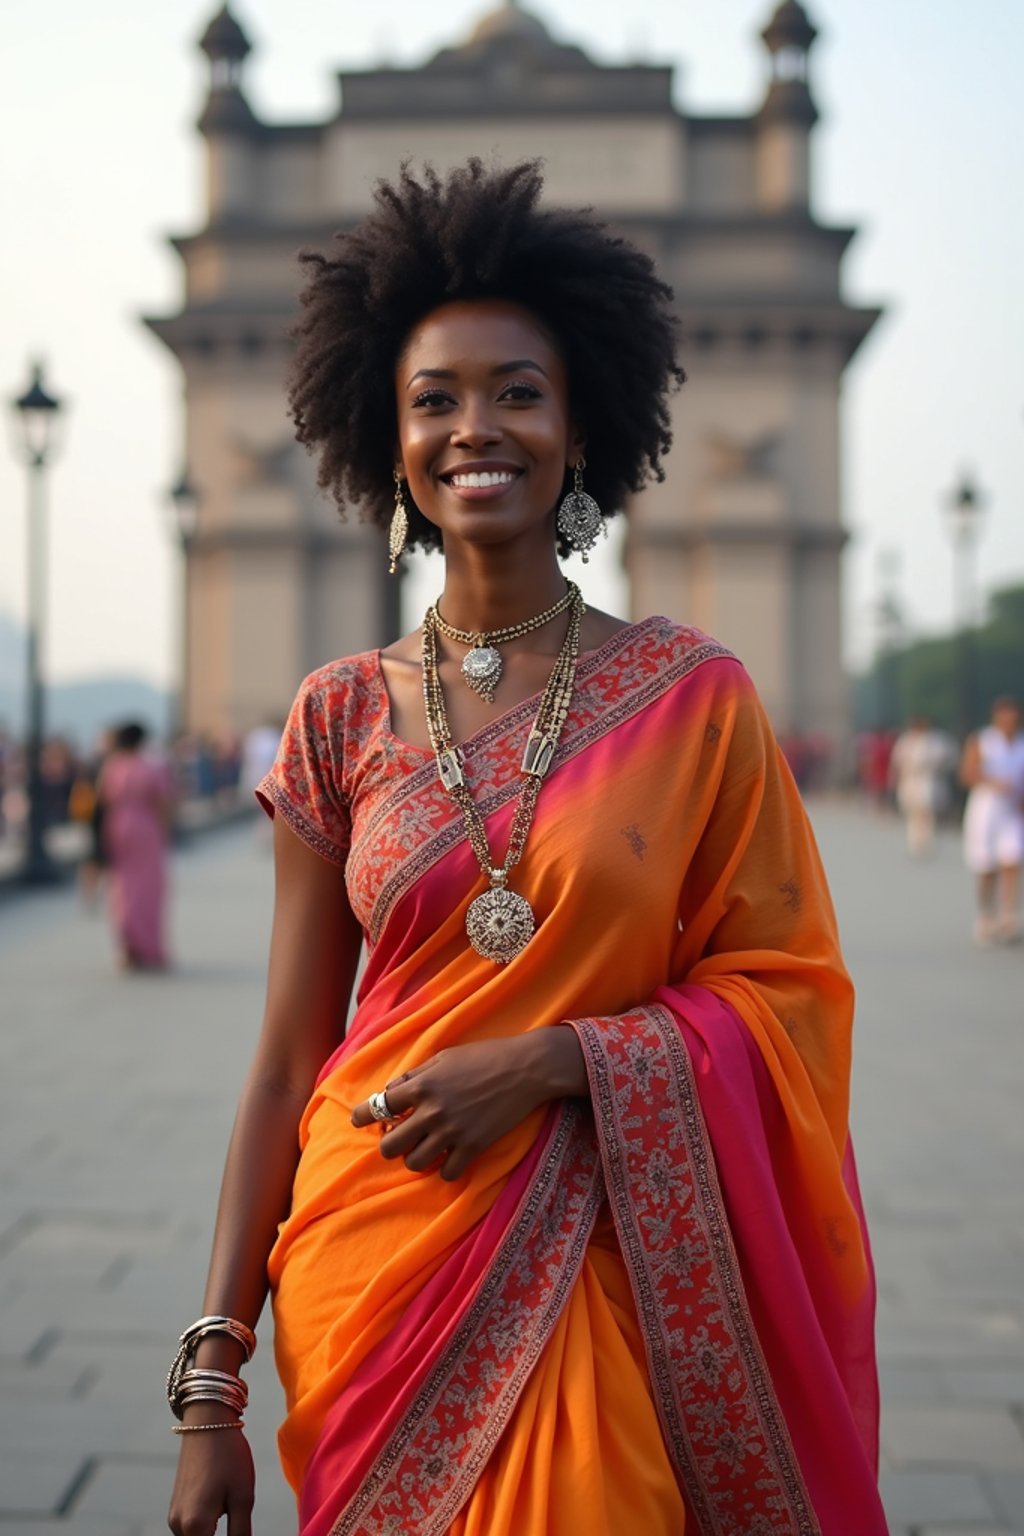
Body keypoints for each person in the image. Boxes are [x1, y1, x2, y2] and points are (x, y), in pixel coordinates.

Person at [167, 161, 886, 1536]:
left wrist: (562, 1060)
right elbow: (283, 1063)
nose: (473, 428)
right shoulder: (336, 712)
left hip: (606, 1279)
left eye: (518, 391)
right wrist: (213, 1375)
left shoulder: (695, 699)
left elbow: (791, 999)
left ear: (580, 425)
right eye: (433, 398)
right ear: (385, 440)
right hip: (371, 1268)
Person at [98, 721, 175, 970]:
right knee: (149, 889)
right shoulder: (150, 768)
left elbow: (102, 799)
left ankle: (127, 947)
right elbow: (163, 803)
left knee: (122, 887)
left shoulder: (112, 767)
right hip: (146, 828)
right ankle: (149, 946)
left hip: (117, 825)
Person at [961, 696, 1024, 944]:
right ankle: (986, 915)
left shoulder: (1020, 744)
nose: (1009, 720)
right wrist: (992, 782)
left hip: (1012, 813)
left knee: (1012, 860)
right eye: (1004, 716)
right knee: (987, 867)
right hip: (986, 811)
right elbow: (967, 773)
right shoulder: (983, 741)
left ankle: (1007, 916)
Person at [889, 714, 956, 857]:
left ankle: (928, 840)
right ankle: (915, 842)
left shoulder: (936, 740)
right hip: (911, 780)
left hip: (930, 780)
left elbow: (947, 759)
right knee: (914, 813)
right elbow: (898, 761)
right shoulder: (906, 740)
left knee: (927, 812)